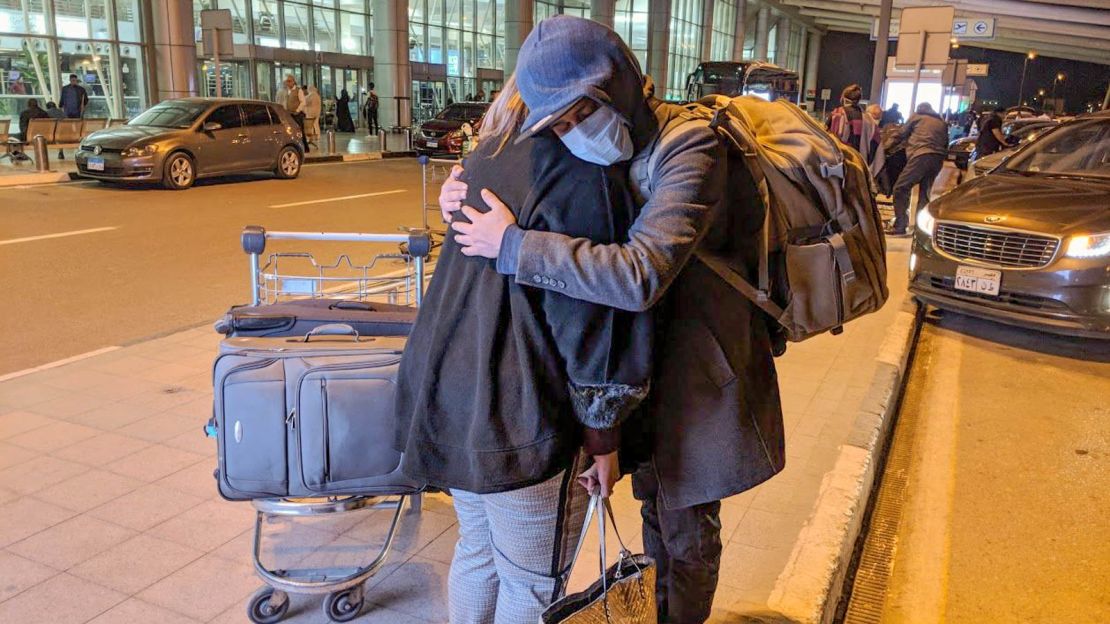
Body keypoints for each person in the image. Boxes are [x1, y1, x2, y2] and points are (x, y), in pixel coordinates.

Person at [438, 16, 782, 624]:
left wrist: (514, 244)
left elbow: (642, 272)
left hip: (698, 375)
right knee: (652, 515)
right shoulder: (601, 149)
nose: (574, 134)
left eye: (579, 115)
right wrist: (463, 189)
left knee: (683, 529)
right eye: (560, 126)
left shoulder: (692, 145)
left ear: (617, 84)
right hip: (642, 370)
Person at [395, 73, 653, 624]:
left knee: (479, 554)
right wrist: (604, 438)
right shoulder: (587, 175)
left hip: (453, 397)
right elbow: (588, 326)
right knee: (531, 584)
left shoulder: (485, 154)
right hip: (522, 417)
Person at [889, 102, 949, 236]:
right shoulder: (941, 122)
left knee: (900, 188)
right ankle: (919, 228)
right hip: (937, 159)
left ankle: (900, 225)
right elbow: (946, 143)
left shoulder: (917, 117)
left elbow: (901, 134)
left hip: (921, 155)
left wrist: (885, 147)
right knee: (924, 193)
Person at [827, 84, 877, 162]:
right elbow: (875, 146)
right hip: (860, 163)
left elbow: (825, 136)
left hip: (839, 163)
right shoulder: (869, 119)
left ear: (844, 99)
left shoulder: (836, 115)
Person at [277, 74, 308, 152]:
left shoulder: (298, 90)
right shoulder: (287, 91)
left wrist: (297, 110)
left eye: (289, 81)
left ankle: (305, 148)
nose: (288, 83)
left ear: (294, 82)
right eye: (287, 81)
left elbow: (303, 102)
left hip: (297, 115)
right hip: (289, 114)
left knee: (300, 131)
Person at [303, 85, 322, 151]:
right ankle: (318, 135)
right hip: (317, 112)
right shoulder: (317, 95)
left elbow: (305, 102)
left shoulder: (311, 95)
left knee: (310, 126)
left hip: (310, 112)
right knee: (316, 124)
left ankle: (310, 137)